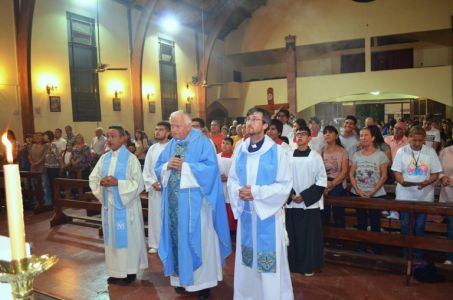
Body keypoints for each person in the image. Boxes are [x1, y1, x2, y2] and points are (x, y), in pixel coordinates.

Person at [155, 110, 231, 299]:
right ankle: (181, 280)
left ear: (189, 126)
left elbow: (211, 170)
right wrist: (166, 167)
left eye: (177, 125)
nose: (173, 130)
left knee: (200, 242)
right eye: (172, 126)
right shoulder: (171, 145)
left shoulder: (203, 142)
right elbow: (159, 166)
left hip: (197, 206)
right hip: (174, 206)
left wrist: (186, 167)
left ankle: (203, 285)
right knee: (177, 242)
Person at [227, 107, 293, 300]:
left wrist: (255, 192)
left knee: (269, 264)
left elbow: (284, 186)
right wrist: (240, 191)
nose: (249, 122)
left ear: (265, 125)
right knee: (247, 262)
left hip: (268, 217)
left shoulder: (277, 152)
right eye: (248, 119)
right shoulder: (240, 149)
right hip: (247, 216)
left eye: (255, 119)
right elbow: (232, 179)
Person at [89, 125, 148, 285]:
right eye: (108, 136)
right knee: (112, 240)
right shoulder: (104, 158)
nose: (109, 139)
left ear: (123, 138)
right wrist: (102, 182)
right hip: (109, 207)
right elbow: (93, 178)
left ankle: (129, 272)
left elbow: (138, 184)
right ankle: (115, 272)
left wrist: (117, 184)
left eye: (113, 136)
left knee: (128, 238)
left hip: (126, 208)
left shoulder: (131, 159)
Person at [391, 126, 442, 259]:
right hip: (404, 195)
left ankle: (418, 255)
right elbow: (396, 171)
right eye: (414, 140)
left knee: (419, 227)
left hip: (424, 195)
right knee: (405, 226)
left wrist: (427, 182)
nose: (417, 143)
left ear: (424, 139)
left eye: (420, 140)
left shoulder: (430, 151)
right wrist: (401, 180)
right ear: (408, 139)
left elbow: (435, 173)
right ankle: (406, 255)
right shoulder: (402, 151)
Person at [287, 126, 327, 276]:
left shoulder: (315, 156)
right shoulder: (288, 156)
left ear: (309, 138)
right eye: (298, 134)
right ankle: (293, 265)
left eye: (303, 134)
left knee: (308, 237)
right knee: (293, 236)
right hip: (292, 203)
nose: (300, 137)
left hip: (308, 204)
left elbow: (322, 180)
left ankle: (308, 266)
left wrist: (304, 196)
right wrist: (291, 195)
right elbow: (283, 178)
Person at [349, 126, 389, 254]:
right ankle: (362, 246)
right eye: (361, 135)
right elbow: (351, 174)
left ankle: (376, 247)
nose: (363, 138)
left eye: (366, 135)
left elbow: (384, 175)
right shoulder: (356, 155)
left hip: (376, 194)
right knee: (361, 222)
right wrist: (359, 191)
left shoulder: (380, 155)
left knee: (375, 222)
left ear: (372, 137)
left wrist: (372, 192)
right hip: (358, 193)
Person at [142, 121, 171, 254]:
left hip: (169, 189)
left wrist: (165, 183)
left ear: (168, 132)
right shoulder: (152, 149)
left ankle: (170, 244)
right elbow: (147, 169)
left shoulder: (173, 147)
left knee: (169, 217)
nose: (157, 132)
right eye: (156, 129)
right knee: (155, 217)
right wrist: (152, 182)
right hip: (155, 189)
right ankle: (155, 243)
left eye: (160, 130)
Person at [321, 126, 349, 231]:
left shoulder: (342, 151)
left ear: (336, 135)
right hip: (324, 182)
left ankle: (340, 239)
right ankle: (325, 238)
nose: (327, 134)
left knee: (338, 212)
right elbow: (318, 170)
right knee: (324, 212)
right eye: (325, 132)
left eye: (330, 132)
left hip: (338, 183)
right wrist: (325, 184)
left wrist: (332, 184)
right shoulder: (321, 150)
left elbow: (344, 171)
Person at [217, 137, 236, 232]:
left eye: (227, 143)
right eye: (223, 143)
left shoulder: (235, 158)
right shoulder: (217, 156)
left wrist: (228, 178)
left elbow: (239, 174)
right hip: (219, 186)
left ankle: (231, 229)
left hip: (230, 188)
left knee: (229, 208)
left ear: (232, 146)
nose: (224, 145)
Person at [439, 145, 453, 264]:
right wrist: (442, 177)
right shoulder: (445, 151)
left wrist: (451, 179)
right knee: (451, 229)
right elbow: (438, 170)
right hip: (448, 197)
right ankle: (450, 257)